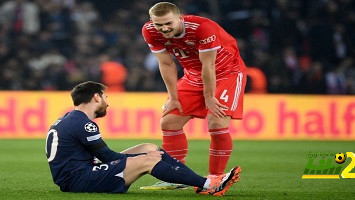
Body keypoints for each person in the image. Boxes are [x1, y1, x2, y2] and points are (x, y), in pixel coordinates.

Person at [45, 81, 241, 196]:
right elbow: (106, 157)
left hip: (79, 173)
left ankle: (200, 183)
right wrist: (143, 160)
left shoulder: (68, 119)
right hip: (78, 180)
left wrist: (146, 154)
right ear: (96, 97)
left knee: (150, 147)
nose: (107, 103)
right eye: (105, 97)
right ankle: (209, 185)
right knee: (149, 159)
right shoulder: (84, 124)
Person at [141, 2, 247, 191]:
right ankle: (175, 177)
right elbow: (166, 64)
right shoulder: (149, 31)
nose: (164, 28)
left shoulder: (202, 28)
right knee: (169, 122)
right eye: (159, 24)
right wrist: (173, 97)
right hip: (193, 75)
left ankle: (216, 178)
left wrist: (209, 98)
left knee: (216, 122)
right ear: (152, 22)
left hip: (227, 72)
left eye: (168, 23)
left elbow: (209, 66)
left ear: (179, 18)